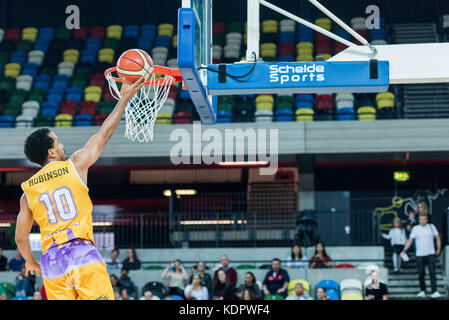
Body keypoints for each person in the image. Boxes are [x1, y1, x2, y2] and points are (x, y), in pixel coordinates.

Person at [14, 77, 144, 300]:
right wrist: (123, 100)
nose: (62, 145)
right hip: (82, 254)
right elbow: (103, 135)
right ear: (52, 153)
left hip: (52, 263)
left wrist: (30, 261)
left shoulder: (28, 192)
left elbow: (20, 238)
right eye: (57, 142)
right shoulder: (74, 165)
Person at [401, 213, 442, 298]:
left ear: (427, 220)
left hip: (430, 253)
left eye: (424, 219)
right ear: (418, 220)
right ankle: (423, 291)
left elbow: (437, 238)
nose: (422, 221)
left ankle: (434, 291)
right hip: (419, 254)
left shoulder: (431, 226)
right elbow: (410, 240)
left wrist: (438, 249)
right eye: (420, 219)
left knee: (432, 273)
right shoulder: (415, 228)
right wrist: (404, 251)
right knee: (421, 273)